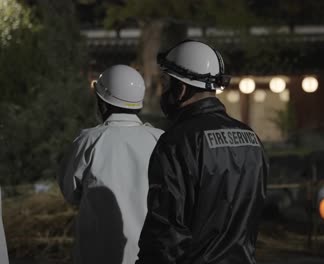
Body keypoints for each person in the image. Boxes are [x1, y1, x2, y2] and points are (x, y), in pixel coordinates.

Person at [136, 40, 268, 264]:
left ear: (181, 89)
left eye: (167, 84)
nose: (163, 92)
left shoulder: (178, 141)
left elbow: (166, 231)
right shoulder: (251, 138)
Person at [58, 65, 164, 264]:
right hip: (149, 255)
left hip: (97, 253)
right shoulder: (159, 140)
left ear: (102, 103)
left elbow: (69, 192)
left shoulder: (89, 140)